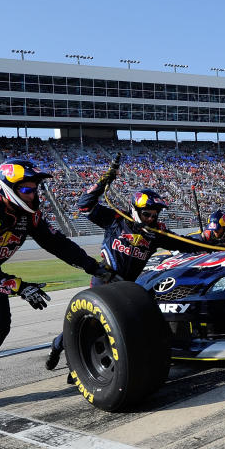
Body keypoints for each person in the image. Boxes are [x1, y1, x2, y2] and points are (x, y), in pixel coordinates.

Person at [0, 159, 114, 417]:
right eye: (26, 189)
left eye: (35, 189)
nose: (33, 194)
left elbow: (56, 242)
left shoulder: (30, 214)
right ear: (6, 187)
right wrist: (20, 286)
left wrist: (93, 267)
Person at [44, 159, 203, 371]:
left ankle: (86, 363)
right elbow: (84, 204)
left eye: (155, 215)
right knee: (93, 322)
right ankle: (60, 349)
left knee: (114, 326)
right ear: (135, 210)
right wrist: (103, 181)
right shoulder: (115, 219)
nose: (151, 219)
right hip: (104, 278)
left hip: (127, 287)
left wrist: (211, 244)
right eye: (147, 214)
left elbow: (186, 245)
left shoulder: (156, 234)